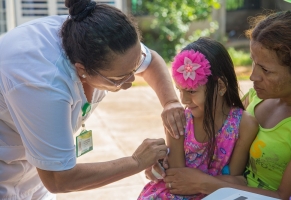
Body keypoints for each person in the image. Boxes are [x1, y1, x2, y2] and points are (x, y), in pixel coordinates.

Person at [0, 0, 186, 199]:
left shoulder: (94, 36)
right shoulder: (43, 84)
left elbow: (152, 63)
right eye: (119, 78)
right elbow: (59, 179)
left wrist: (171, 103)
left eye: (135, 66)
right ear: (82, 70)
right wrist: (136, 162)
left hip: (33, 171)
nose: (131, 80)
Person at [147, 10, 291, 200]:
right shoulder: (256, 97)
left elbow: (285, 196)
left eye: (266, 70)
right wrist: (166, 159)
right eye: (253, 62)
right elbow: (222, 128)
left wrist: (203, 182)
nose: (252, 76)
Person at [138, 37, 258, 199]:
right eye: (180, 90)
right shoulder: (179, 120)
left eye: (192, 91)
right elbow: (176, 180)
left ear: (221, 86)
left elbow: (236, 180)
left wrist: (207, 183)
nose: (184, 100)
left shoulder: (244, 124)